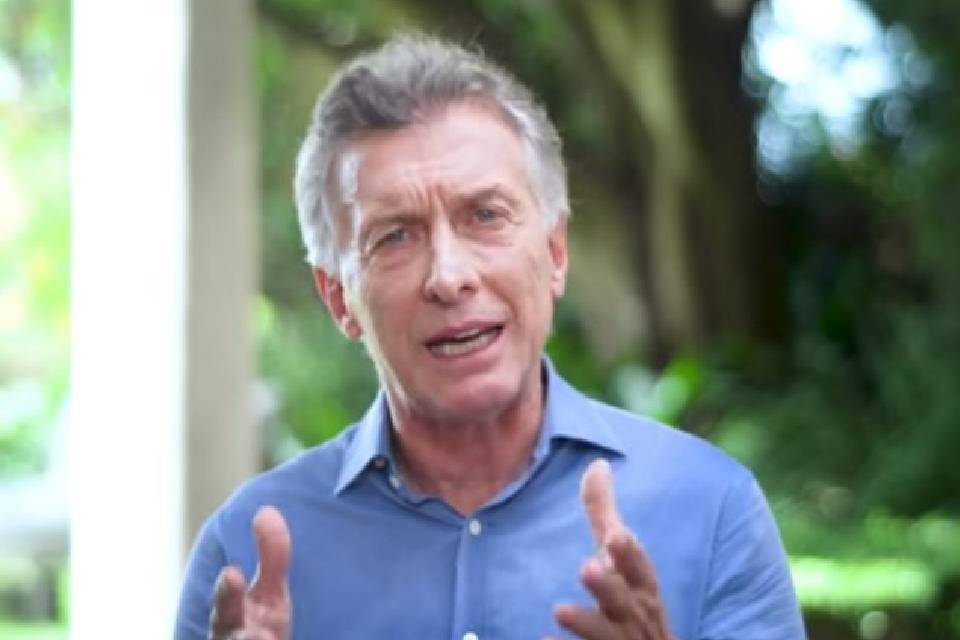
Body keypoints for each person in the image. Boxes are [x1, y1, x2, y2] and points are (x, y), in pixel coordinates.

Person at [175, 35, 805, 640]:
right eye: (395, 236)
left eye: (485, 215)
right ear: (339, 297)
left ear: (555, 252)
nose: (449, 277)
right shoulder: (243, 556)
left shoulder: (713, 510)